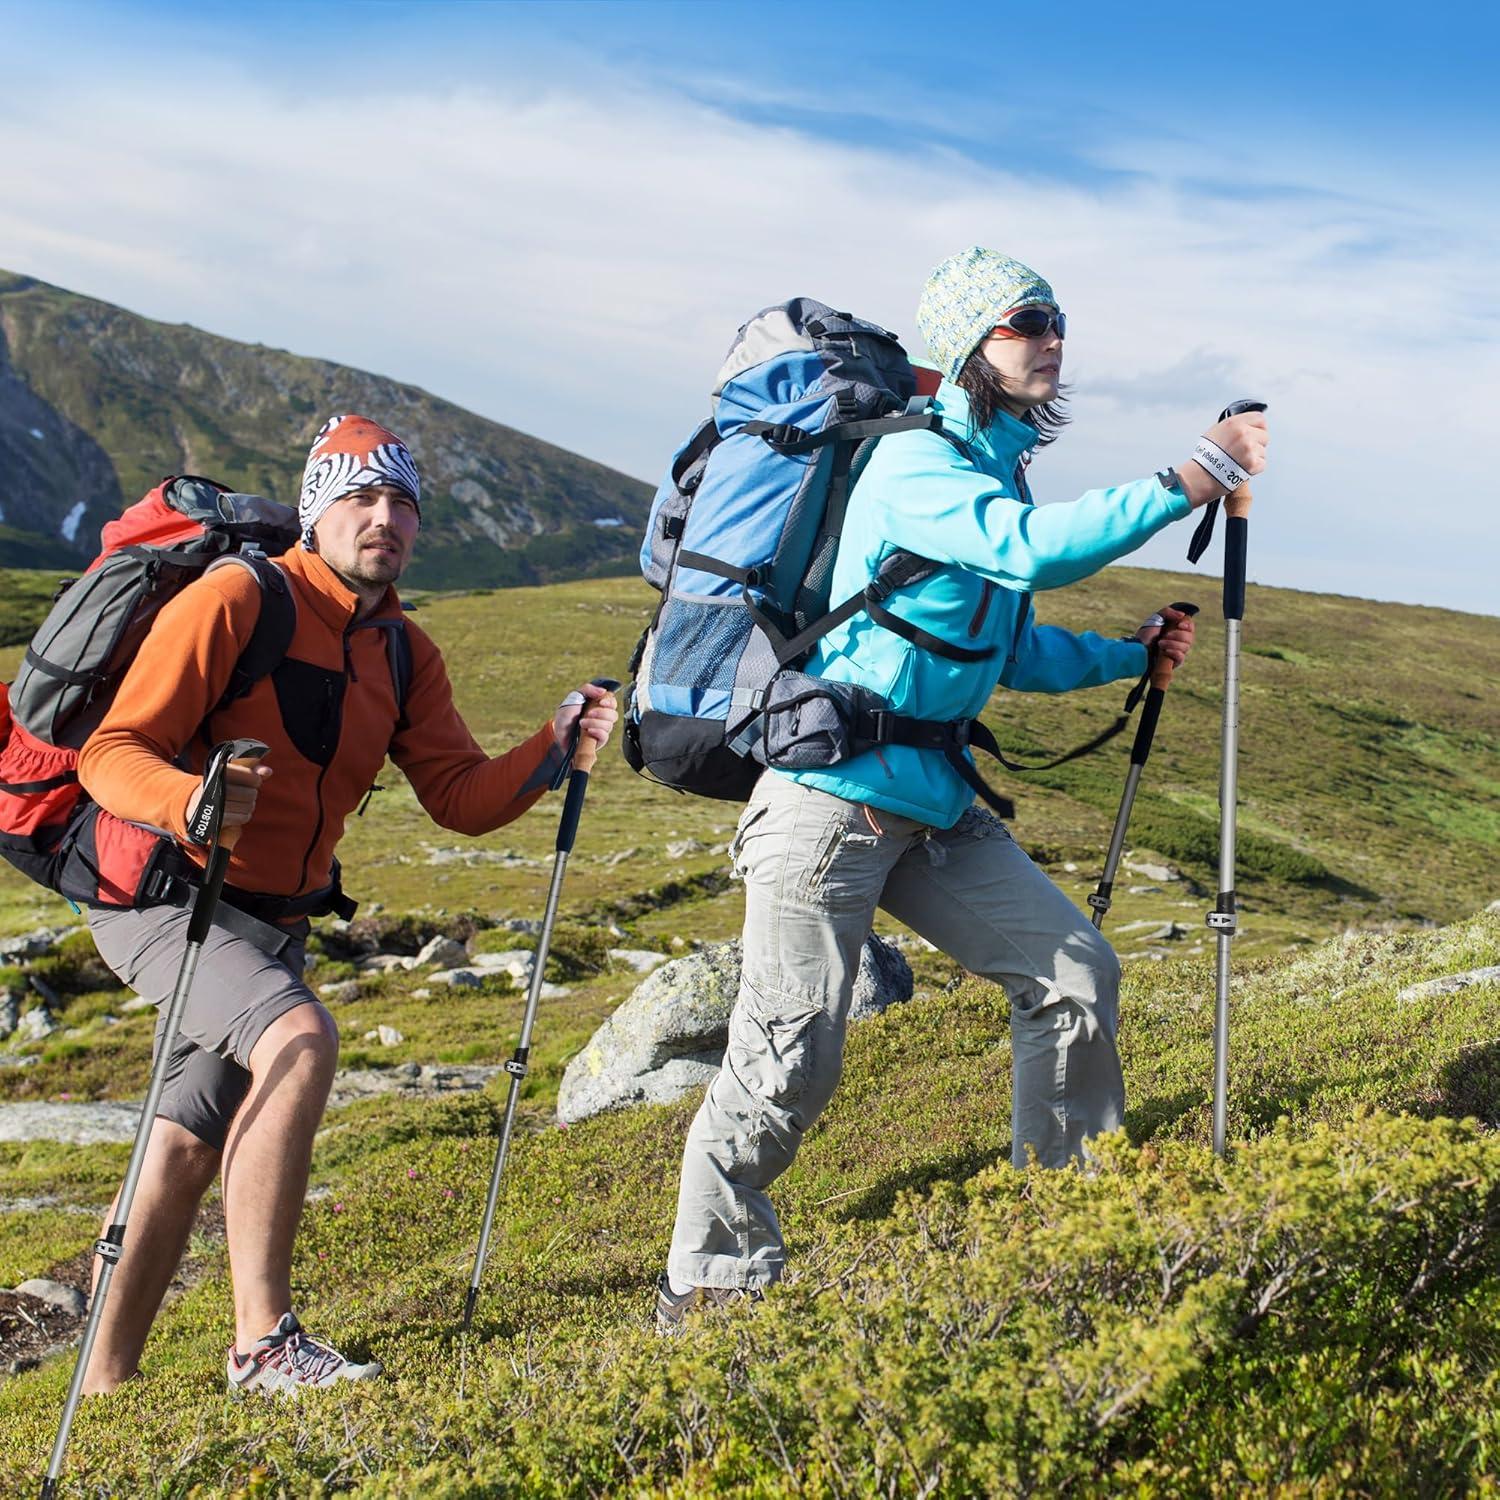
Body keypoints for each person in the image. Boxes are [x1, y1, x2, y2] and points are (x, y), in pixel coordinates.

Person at [656, 246, 1268, 1330]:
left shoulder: (993, 466)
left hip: (934, 796)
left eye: (1055, 322)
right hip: (831, 798)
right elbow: (1027, 555)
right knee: (792, 1051)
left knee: (1075, 974)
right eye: (1025, 320)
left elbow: (1011, 642)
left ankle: (1066, 1232)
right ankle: (708, 1278)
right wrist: (1192, 475)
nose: (1050, 338)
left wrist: (1128, 659)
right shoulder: (916, 466)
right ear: (966, 342)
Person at [75, 414, 617, 1392]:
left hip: (270, 921)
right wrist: (190, 803)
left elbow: (457, 800)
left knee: (187, 1146)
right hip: (162, 893)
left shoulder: (404, 652)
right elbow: (110, 753)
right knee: (300, 1041)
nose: (385, 517)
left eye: (402, 501)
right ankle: (263, 1345)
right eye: (361, 497)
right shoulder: (238, 597)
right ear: (316, 510)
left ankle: (104, 1385)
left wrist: (551, 745)